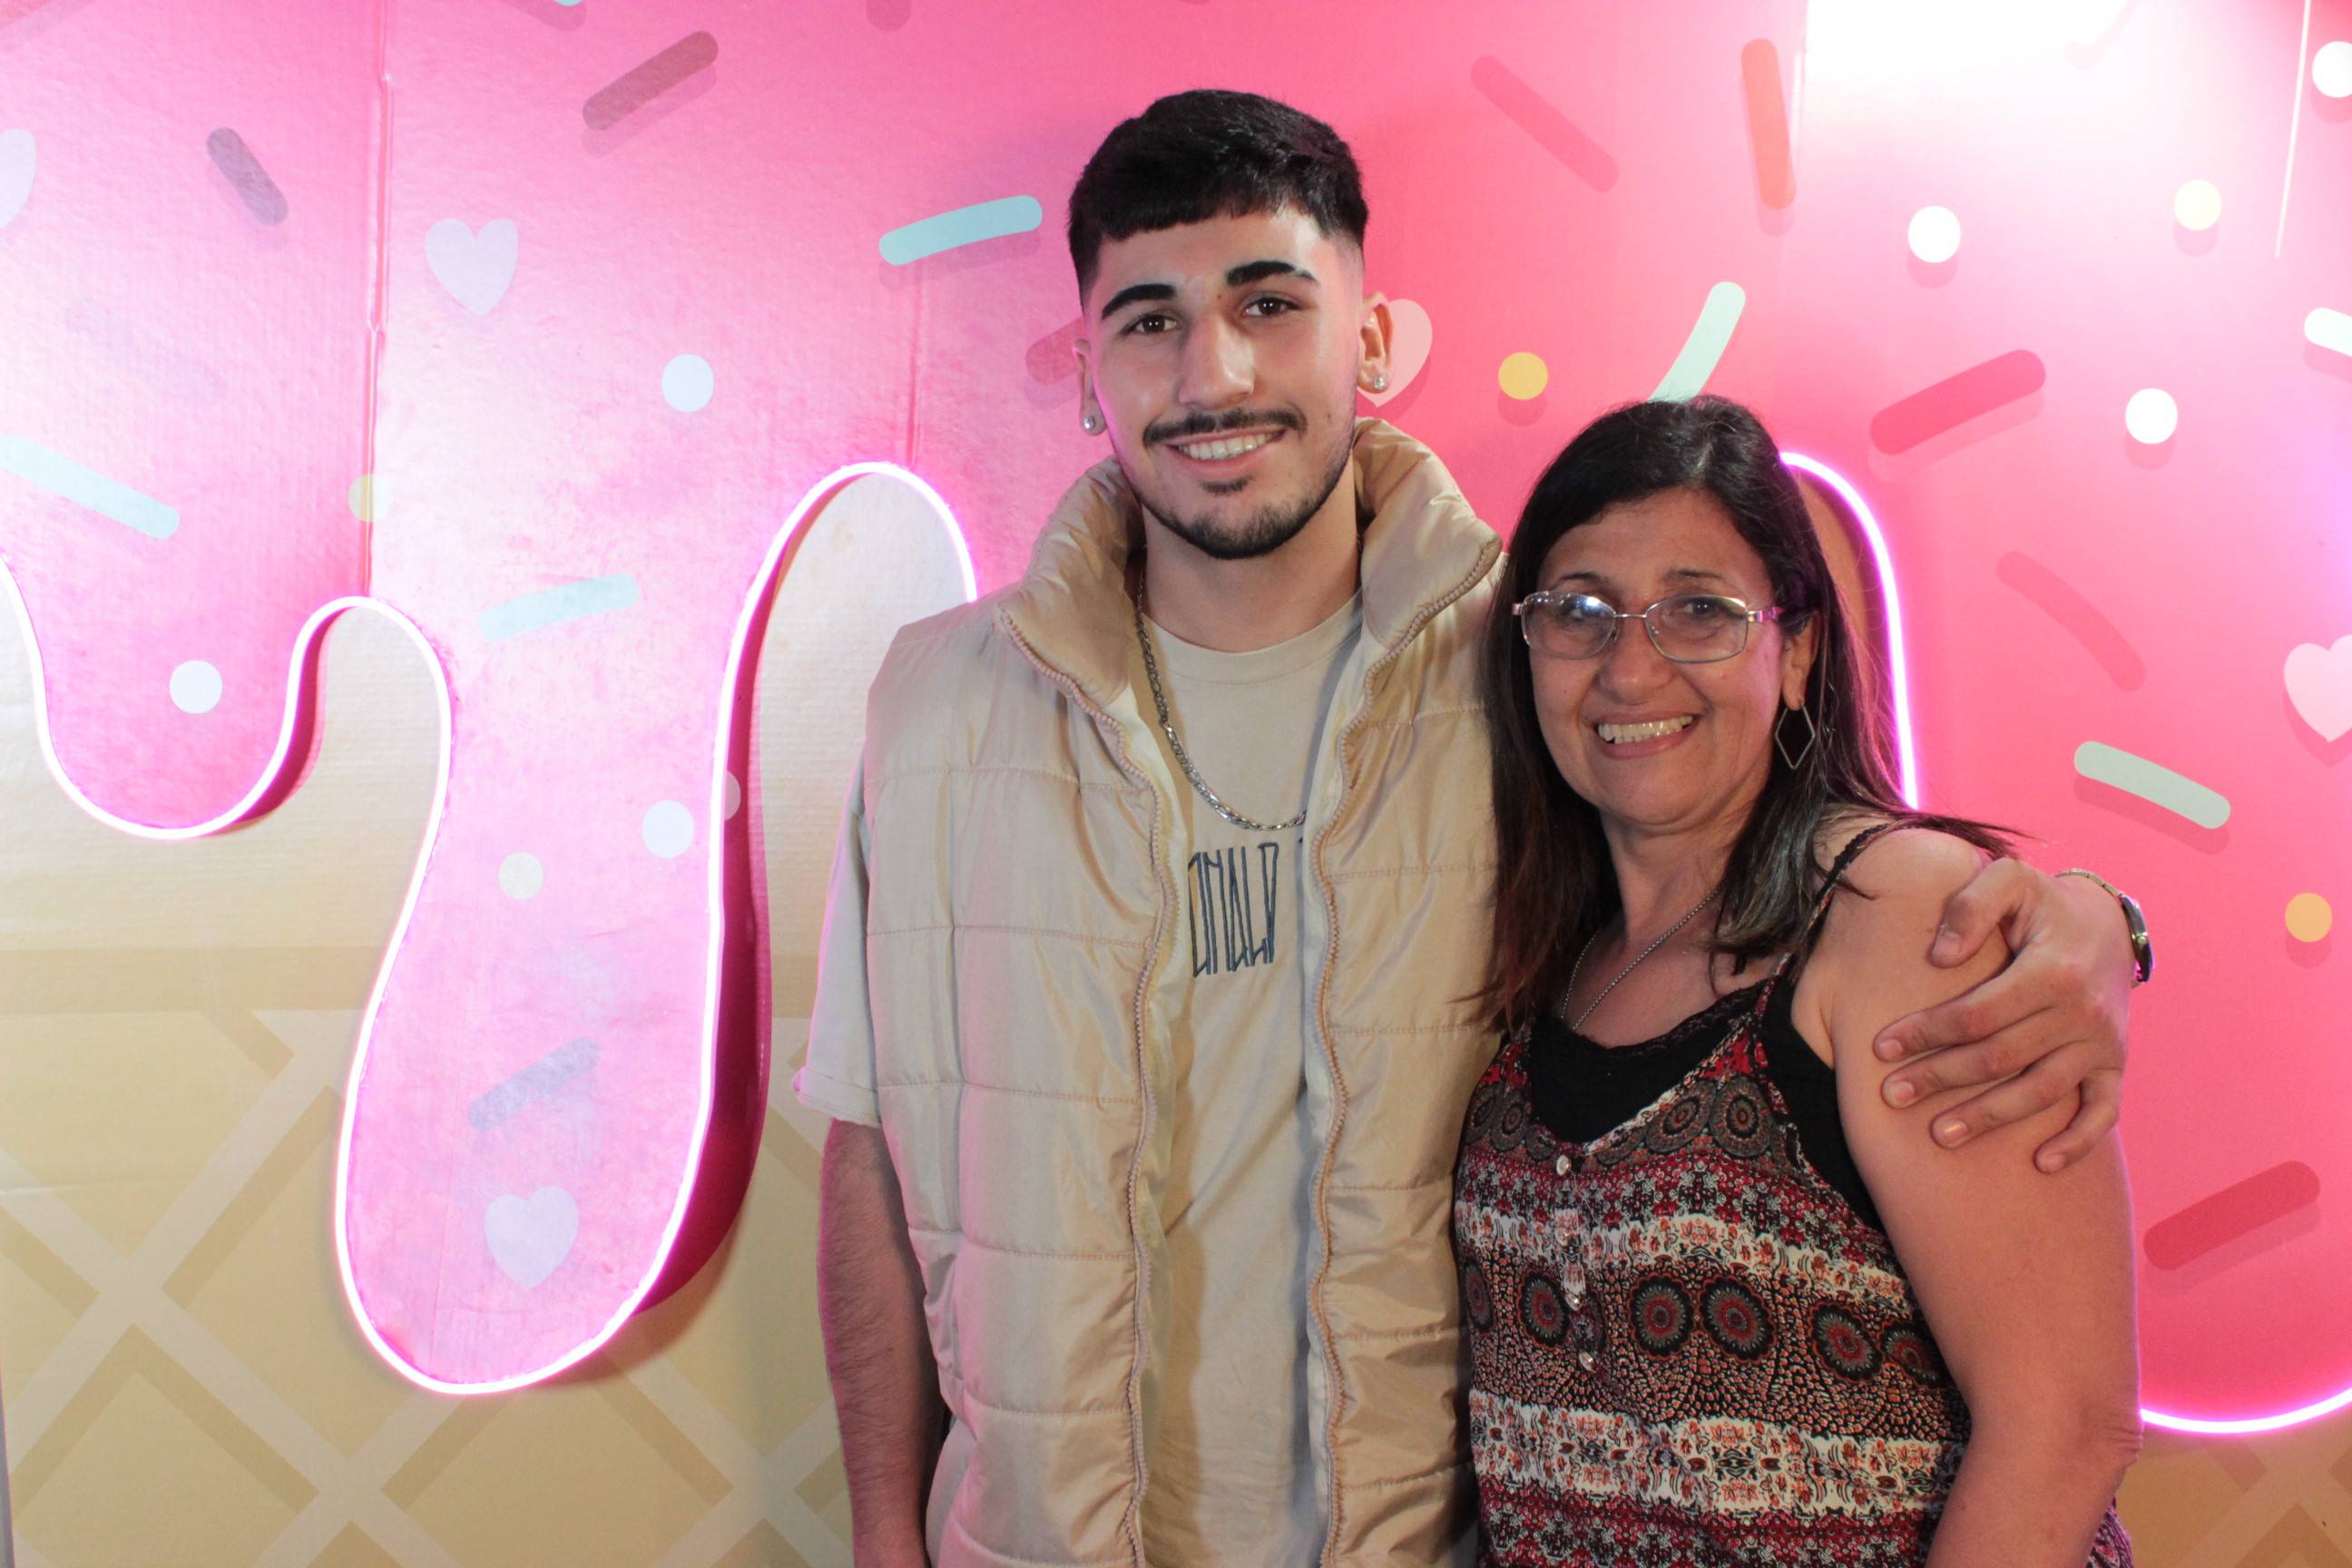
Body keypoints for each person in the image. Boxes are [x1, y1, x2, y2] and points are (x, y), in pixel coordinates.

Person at [798, 91, 2147, 1567]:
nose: (1214, 371)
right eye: (1150, 320)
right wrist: (883, 1535)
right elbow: (875, 1154)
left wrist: (2090, 920)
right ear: (1086, 371)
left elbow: (1772, 856)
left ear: (1371, 343)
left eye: (1270, 303)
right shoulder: (936, 712)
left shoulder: (1527, 668)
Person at [1457, 395, 2140, 1563]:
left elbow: (2065, 1425)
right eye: (1580, 611)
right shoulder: (1540, 954)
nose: (1631, 668)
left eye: (1699, 611)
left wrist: (2107, 921)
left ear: (1798, 649)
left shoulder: (1898, 918)